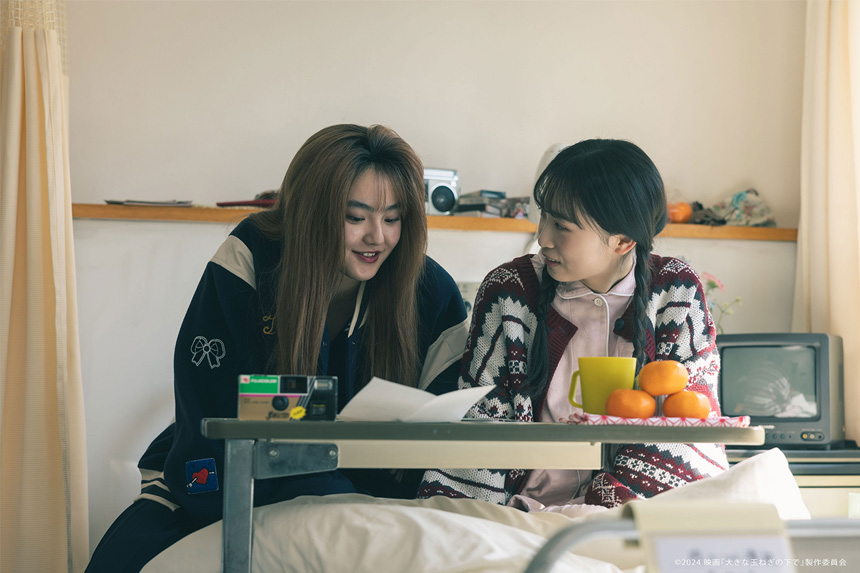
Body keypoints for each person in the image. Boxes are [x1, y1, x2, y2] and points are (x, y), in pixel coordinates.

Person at [86, 124, 468, 572]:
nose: (377, 237)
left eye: (393, 218)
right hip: (227, 480)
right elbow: (213, 405)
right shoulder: (251, 257)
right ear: (312, 212)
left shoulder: (431, 292)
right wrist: (323, 427)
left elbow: (448, 420)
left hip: (367, 497)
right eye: (355, 217)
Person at [418, 138, 729, 511]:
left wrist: (601, 506)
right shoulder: (509, 291)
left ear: (622, 240)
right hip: (519, 510)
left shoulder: (676, 292)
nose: (543, 238)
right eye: (544, 217)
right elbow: (481, 420)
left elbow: (692, 420)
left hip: (627, 508)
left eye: (561, 226)